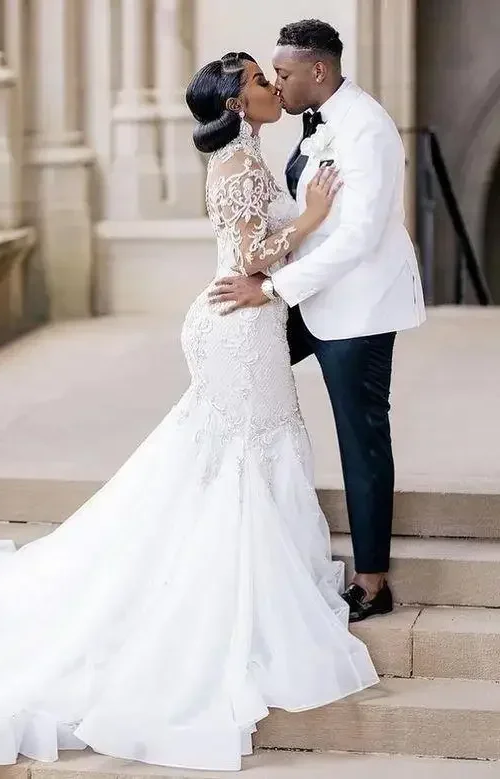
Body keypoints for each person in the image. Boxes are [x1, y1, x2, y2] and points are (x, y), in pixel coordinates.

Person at [0, 51, 378, 779]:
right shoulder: (236, 163)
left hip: (246, 327)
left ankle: (257, 575)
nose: (270, 87)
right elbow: (249, 257)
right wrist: (314, 217)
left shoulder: (246, 155)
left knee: (245, 451)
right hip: (239, 326)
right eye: (260, 81)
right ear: (237, 104)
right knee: (244, 452)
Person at [210, 21, 426, 622]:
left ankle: (372, 581)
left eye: (282, 74)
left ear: (319, 71)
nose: (277, 84)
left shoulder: (366, 128)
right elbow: (308, 214)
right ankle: (233, 529)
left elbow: (358, 237)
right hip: (310, 298)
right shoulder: (316, 119)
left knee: (361, 437)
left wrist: (271, 287)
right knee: (235, 372)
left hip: (356, 307)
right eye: (270, 76)